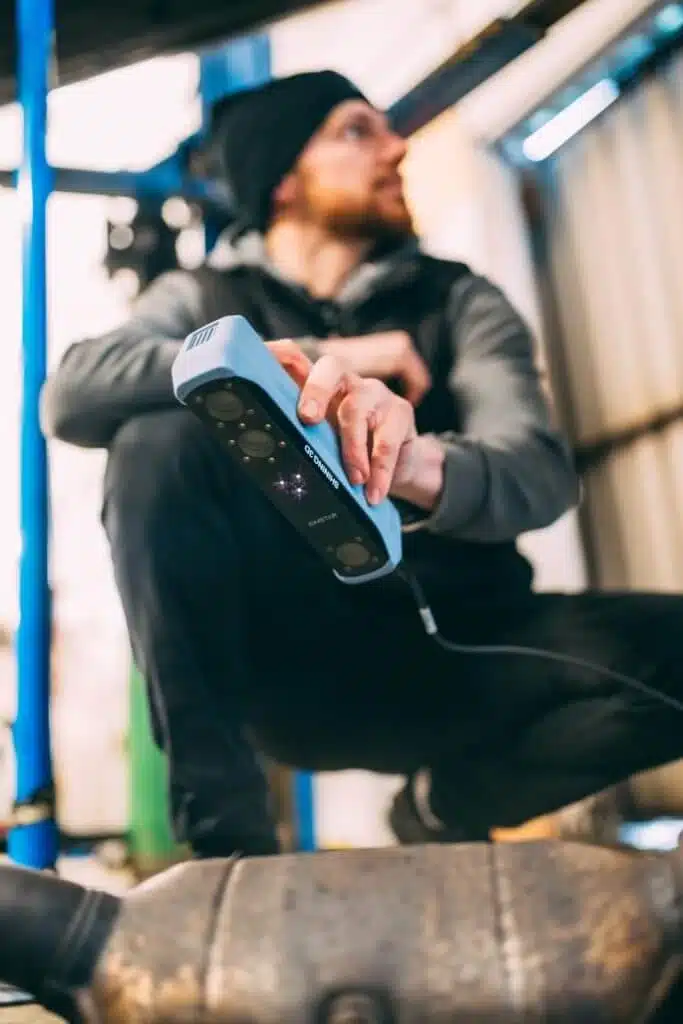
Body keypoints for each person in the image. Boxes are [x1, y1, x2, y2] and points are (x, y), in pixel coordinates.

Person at [40, 71, 683, 859]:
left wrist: (409, 463)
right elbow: (71, 393)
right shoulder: (201, 298)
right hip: (295, 676)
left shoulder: (457, 301)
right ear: (282, 181)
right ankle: (225, 848)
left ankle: (446, 805)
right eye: (356, 131)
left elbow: (538, 473)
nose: (395, 147)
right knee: (154, 441)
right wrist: (312, 359)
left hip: (465, 648)